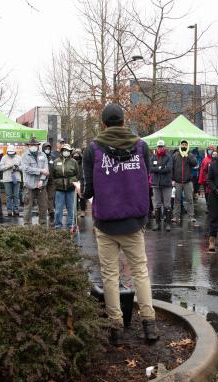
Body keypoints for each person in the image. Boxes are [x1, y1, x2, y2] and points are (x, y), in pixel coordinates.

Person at [82, 103, 157, 345]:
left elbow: (88, 191)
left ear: (103, 124)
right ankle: (149, 324)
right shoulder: (141, 146)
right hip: (134, 221)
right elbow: (147, 182)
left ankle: (115, 325)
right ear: (124, 121)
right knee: (140, 273)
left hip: (106, 222)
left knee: (110, 275)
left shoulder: (93, 149)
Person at [52, 143, 80, 230]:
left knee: (71, 208)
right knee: (58, 209)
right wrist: (57, 182)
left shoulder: (74, 162)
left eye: (67, 151)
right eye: (64, 150)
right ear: (61, 151)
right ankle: (58, 226)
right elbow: (53, 175)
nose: (66, 152)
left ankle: (71, 225)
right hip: (59, 188)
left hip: (71, 188)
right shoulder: (56, 161)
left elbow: (77, 174)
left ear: (70, 151)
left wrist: (73, 182)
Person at [22, 137, 50, 226]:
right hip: (29, 185)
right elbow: (26, 169)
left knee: (43, 206)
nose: (33, 146)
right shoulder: (25, 156)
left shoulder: (43, 155)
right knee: (28, 206)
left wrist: (42, 180)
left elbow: (46, 169)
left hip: (41, 185)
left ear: (38, 146)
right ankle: (27, 225)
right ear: (28, 146)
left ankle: (43, 225)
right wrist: (40, 171)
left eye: (35, 145)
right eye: (31, 145)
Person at [171, 139, 198, 225]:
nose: (184, 146)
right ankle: (176, 216)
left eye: (185, 145)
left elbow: (195, 163)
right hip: (177, 181)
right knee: (177, 200)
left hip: (188, 182)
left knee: (189, 199)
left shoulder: (190, 154)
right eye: (182, 144)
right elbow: (172, 169)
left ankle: (191, 216)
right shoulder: (175, 155)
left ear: (187, 146)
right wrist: (172, 180)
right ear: (180, 145)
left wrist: (187, 156)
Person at [149, 140, 174, 232]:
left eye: (161, 146)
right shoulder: (153, 157)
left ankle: (168, 224)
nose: (160, 148)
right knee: (157, 204)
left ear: (164, 147)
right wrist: (160, 168)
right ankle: (157, 224)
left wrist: (158, 169)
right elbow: (150, 168)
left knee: (167, 204)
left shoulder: (168, 157)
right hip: (156, 184)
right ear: (157, 147)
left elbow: (168, 169)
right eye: (159, 147)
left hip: (166, 184)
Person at [0, 145, 22, 217]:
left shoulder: (19, 157)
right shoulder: (4, 157)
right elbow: (0, 168)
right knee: (8, 195)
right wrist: (7, 166)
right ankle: (9, 210)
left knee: (16, 195)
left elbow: (23, 167)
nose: (11, 154)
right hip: (7, 179)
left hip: (16, 178)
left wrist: (18, 168)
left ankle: (16, 209)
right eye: (9, 153)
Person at [42, 142, 56, 224]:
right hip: (43, 180)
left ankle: (51, 213)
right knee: (43, 198)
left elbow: (55, 168)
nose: (47, 150)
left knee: (51, 197)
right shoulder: (40, 157)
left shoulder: (52, 157)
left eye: (49, 148)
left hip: (51, 180)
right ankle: (43, 215)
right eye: (46, 148)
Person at [73, 148, 87, 217]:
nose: (76, 155)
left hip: (81, 181)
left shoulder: (83, 163)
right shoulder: (72, 162)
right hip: (74, 181)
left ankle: (83, 211)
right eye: (75, 154)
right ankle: (75, 211)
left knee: (82, 197)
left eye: (77, 154)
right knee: (74, 197)